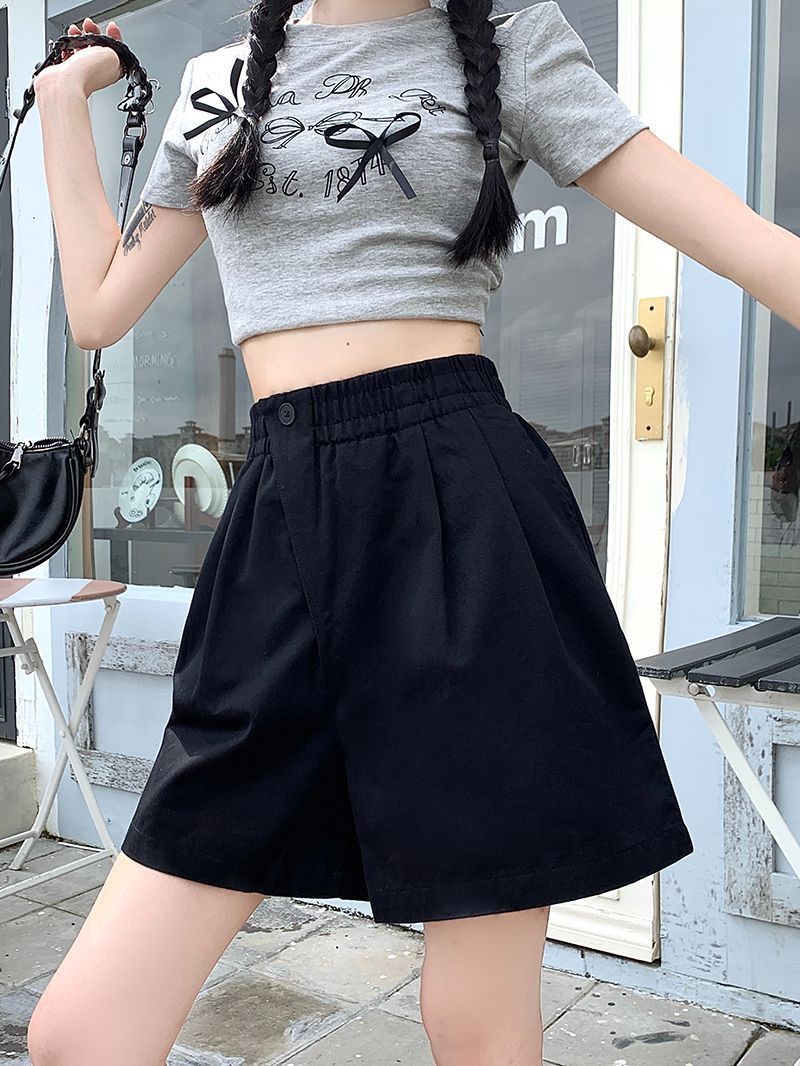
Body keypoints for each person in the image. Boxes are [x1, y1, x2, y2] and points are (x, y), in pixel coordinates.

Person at [24, 2, 800, 1063]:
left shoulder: (512, 42)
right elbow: (98, 310)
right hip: (282, 523)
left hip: (463, 514)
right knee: (81, 1032)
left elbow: (744, 240)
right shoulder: (219, 78)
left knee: (473, 1021)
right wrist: (62, 97)